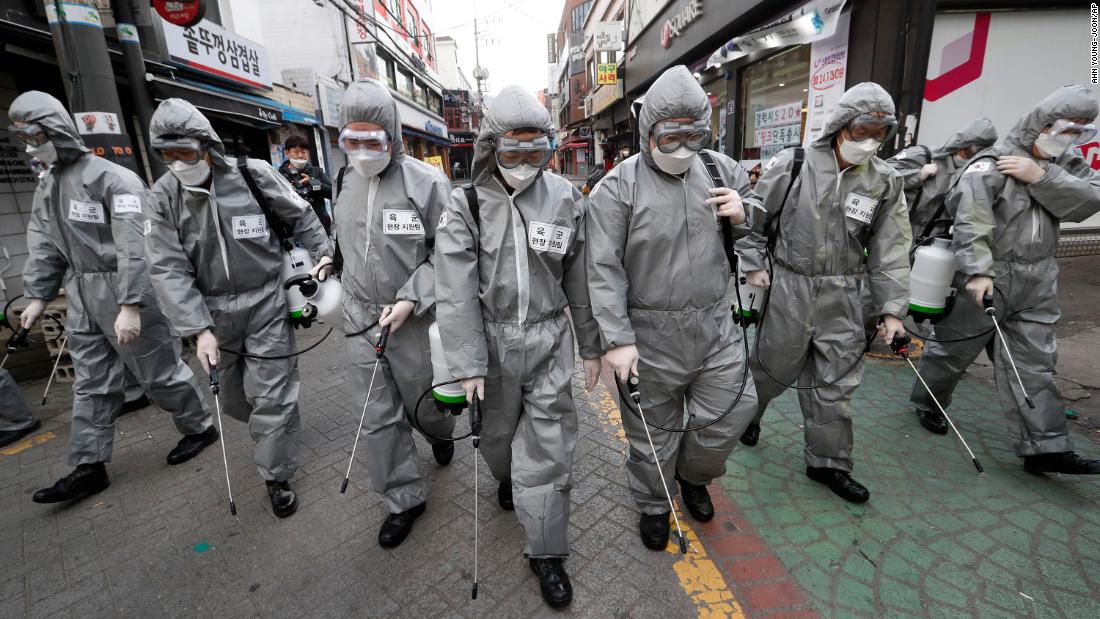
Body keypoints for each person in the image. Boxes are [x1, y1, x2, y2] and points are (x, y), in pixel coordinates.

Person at [434, 85, 602, 609]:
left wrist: (592, 345)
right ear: (491, 147)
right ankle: (510, 480)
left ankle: (547, 552)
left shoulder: (565, 198)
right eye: (514, 151)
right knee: (500, 438)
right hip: (490, 341)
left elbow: (580, 276)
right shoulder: (465, 203)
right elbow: (453, 287)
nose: (525, 162)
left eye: (537, 151)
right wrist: (464, 361)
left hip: (551, 339)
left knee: (550, 447)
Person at [8, 91, 217, 504]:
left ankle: (199, 426)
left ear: (57, 129)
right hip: (81, 292)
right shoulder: (48, 184)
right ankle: (89, 465)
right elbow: (45, 242)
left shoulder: (113, 179)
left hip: (125, 288)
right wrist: (37, 295)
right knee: (91, 382)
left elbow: (136, 244)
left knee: (157, 371)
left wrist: (129, 304)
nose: (32, 145)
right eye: (25, 137)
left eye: (36, 134)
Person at [586, 65, 762, 550]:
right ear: (648, 133)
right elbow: (601, 268)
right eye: (671, 136)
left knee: (732, 408)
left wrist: (746, 215)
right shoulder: (618, 187)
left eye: (694, 134)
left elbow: (758, 223)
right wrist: (616, 341)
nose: (684, 146)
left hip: (715, 324)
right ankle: (653, 502)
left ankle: (693, 476)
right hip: (649, 332)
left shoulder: (720, 170)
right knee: (651, 431)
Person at [144, 98, 333, 518]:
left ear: (206, 146)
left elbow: (300, 214)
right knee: (231, 400)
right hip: (211, 313)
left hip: (266, 298)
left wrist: (324, 253)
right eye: (167, 155)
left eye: (186, 153)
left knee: (273, 393)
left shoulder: (252, 173)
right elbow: (166, 266)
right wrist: (198, 329)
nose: (178, 163)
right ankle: (275, 426)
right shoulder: (162, 198)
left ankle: (276, 474)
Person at [734, 82, 911, 503]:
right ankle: (748, 416)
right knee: (771, 367)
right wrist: (754, 263)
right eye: (863, 129)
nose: (870, 141)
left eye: (880, 133)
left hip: (845, 293)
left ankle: (828, 463)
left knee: (837, 382)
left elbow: (892, 246)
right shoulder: (794, 164)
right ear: (840, 125)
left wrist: (891, 309)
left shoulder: (884, 180)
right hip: (790, 286)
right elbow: (755, 219)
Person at [911, 86, 1100, 474]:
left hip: (1038, 277)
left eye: (1082, 131)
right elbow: (972, 219)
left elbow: (1091, 199)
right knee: (954, 352)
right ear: (1042, 123)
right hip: (988, 275)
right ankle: (928, 401)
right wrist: (979, 271)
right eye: (1067, 128)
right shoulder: (990, 164)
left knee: (1035, 361)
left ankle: (1044, 448)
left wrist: (1042, 177)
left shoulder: (1065, 165)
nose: (1071, 137)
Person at [329, 79, 456, 547]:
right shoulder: (344, 180)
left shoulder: (428, 184)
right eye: (351, 140)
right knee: (378, 414)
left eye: (372, 140)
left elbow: (450, 253)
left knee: (427, 403)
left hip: (414, 318)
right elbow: (342, 233)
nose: (362, 151)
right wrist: (330, 256)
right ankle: (403, 497)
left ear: (392, 136)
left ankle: (439, 435)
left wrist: (412, 296)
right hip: (361, 316)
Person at [887, 118, 998, 243]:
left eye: (978, 154)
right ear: (960, 144)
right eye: (969, 152)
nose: (971, 158)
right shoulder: (925, 155)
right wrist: (917, 175)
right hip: (896, 237)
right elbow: (883, 175)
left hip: (931, 243)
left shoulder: (971, 173)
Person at [278, 134, 333, 234]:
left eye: (303, 152)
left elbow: (333, 193)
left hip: (321, 227)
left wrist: (314, 183)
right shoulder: (279, 175)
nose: (300, 155)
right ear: (287, 152)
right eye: (296, 151)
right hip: (294, 231)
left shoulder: (317, 172)